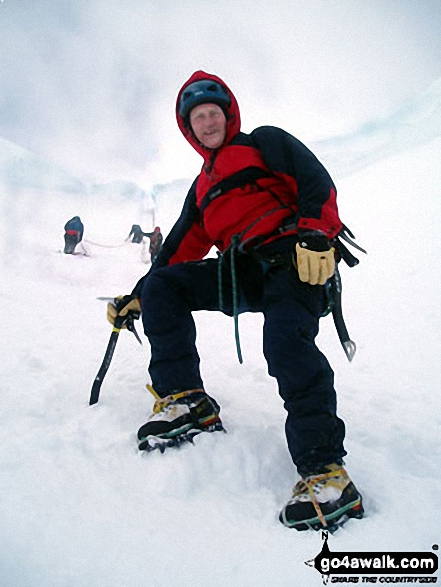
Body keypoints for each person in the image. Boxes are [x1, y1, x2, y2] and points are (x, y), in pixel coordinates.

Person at [107, 71, 364, 531]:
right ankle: (187, 400)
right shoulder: (202, 187)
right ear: (189, 129)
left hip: (294, 258)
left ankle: (326, 473)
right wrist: (139, 296)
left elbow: (314, 180)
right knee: (166, 286)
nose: (207, 123)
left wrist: (315, 234)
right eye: (197, 118)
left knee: (285, 341)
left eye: (213, 113)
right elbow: (175, 251)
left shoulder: (263, 142)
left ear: (228, 115)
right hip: (240, 273)